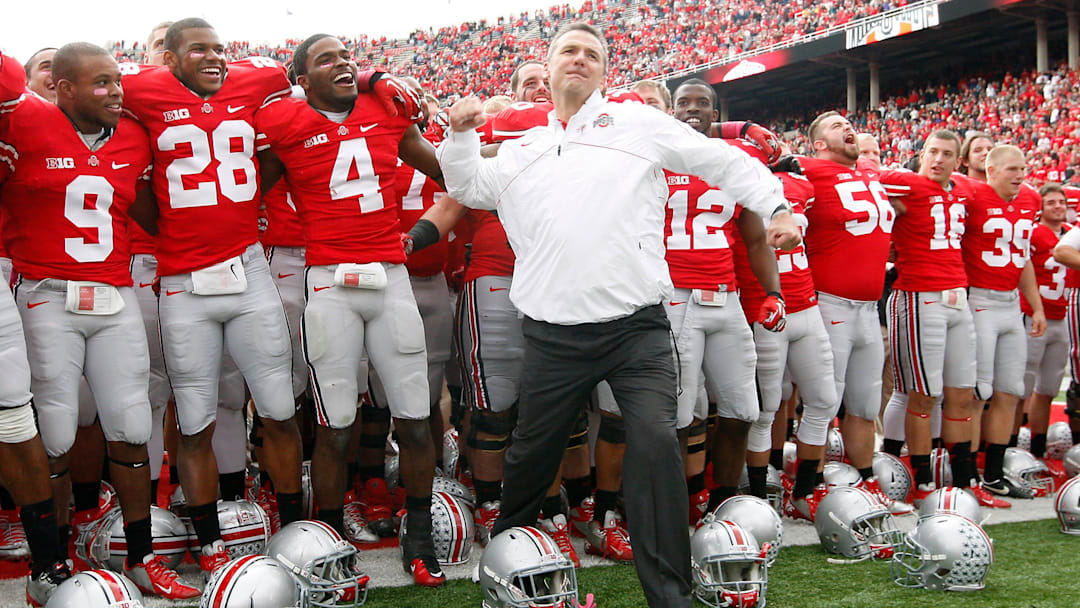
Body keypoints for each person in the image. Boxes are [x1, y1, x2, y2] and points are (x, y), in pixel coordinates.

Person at [438, 23, 799, 607]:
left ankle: (670, 594)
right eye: (568, 52)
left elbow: (722, 160)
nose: (579, 61)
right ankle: (506, 573)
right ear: (548, 68)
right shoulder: (524, 147)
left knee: (656, 443)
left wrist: (778, 204)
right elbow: (471, 186)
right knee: (531, 454)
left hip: (637, 329)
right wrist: (457, 136)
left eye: (593, 55)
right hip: (553, 334)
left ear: (605, 71)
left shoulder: (638, 124)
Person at [0, 43, 197, 600]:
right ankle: (54, 562)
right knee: (56, 434)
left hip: (114, 295)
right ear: (62, 88)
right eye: (100, 83)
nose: (116, 92)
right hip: (45, 293)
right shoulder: (26, 121)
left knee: (132, 427)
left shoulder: (132, 133)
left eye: (116, 80)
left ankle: (141, 557)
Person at [254, 33, 445, 587]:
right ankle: (331, 536)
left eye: (348, 58)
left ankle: (417, 534)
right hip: (328, 282)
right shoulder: (286, 122)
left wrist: (375, 81)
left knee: (412, 416)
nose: (342, 65)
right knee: (335, 425)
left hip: (390, 275)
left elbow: (445, 174)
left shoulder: (385, 109)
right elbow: (241, 194)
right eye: (325, 60)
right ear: (301, 78)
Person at [121, 17, 304, 576]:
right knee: (194, 417)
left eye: (219, 48)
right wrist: (170, 228)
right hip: (183, 279)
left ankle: (294, 530)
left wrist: (368, 80)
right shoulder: (141, 87)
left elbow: (307, 77)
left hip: (248, 268)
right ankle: (209, 542)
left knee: (277, 407)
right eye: (198, 48)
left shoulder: (253, 79)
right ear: (169, 60)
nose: (214, 57)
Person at [785, 111, 894, 521]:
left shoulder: (871, 175)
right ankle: (804, 489)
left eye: (847, 123)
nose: (846, 127)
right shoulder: (808, 169)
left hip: (869, 308)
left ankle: (864, 479)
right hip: (829, 302)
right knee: (821, 402)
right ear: (816, 144)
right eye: (834, 125)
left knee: (864, 404)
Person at [879, 130, 975, 507]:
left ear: (957, 161)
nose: (938, 159)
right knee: (922, 393)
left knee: (962, 392)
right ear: (922, 154)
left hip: (958, 296)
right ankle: (921, 480)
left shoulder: (962, 190)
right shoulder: (907, 183)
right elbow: (868, 177)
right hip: (919, 296)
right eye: (933, 151)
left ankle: (964, 476)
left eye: (947, 154)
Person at [961, 144, 1044, 505]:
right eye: (1011, 168)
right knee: (978, 392)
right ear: (990, 170)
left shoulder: (1029, 200)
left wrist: (1035, 306)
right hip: (979, 300)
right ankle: (968, 474)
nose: (1019, 174)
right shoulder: (972, 194)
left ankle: (992, 474)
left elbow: (1023, 257)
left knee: (1010, 390)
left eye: (1022, 168)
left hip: (1011, 304)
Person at [1021, 183, 1070, 480]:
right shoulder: (1034, 232)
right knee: (1022, 387)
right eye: (1050, 201)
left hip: (1062, 317)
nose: (1056, 205)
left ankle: (1038, 448)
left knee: (1049, 388)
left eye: (1060, 201)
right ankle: (1015, 447)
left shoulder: (1072, 232)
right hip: (1035, 315)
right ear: (1041, 207)